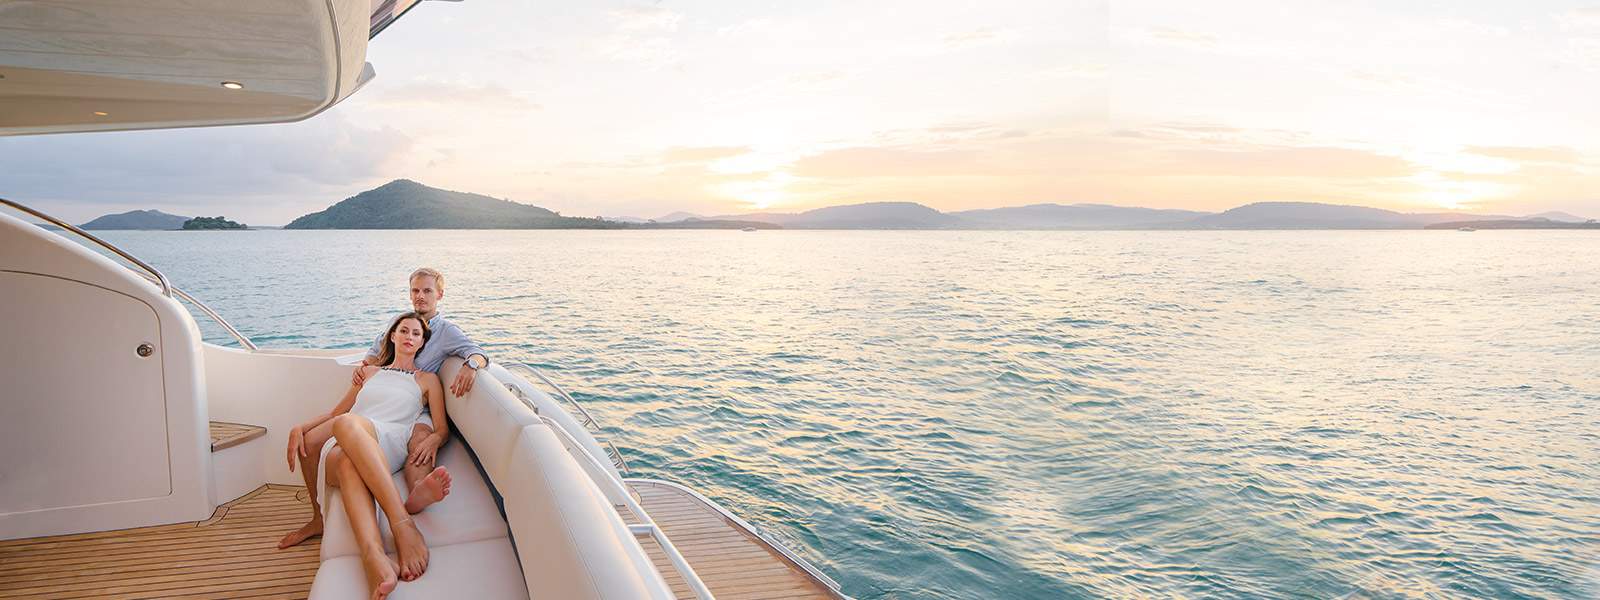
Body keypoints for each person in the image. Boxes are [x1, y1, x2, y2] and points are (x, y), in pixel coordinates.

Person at [279, 267, 486, 549]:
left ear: (439, 295)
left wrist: (471, 365)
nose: (420, 296)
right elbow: (375, 353)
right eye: (415, 290)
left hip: (417, 403)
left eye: (427, 291)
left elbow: (475, 351)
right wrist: (367, 368)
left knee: (422, 439)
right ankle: (321, 518)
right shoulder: (393, 331)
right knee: (331, 436)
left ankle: (416, 493)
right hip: (380, 400)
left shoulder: (445, 334)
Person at [285, 312, 448, 597]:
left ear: (422, 343)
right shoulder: (370, 373)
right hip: (348, 439)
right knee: (346, 447)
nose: (409, 337)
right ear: (392, 336)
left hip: (388, 441)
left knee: (347, 426)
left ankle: (388, 540)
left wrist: (434, 438)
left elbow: (442, 428)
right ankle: (380, 547)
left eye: (416, 334)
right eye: (404, 331)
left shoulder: (427, 380)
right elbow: (337, 412)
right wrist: (301, 425)